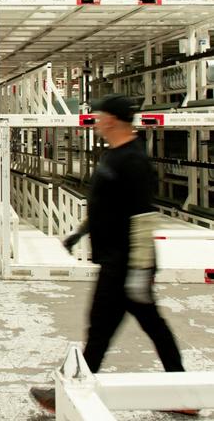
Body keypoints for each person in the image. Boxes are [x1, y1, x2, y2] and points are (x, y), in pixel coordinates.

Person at [30, 94, 197, 416]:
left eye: (99, 114)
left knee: (104, 328)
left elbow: (143, 217)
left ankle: (63, 396)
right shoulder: (112, 155)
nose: (94, 118)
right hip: (115, 259)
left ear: (113, 119)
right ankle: (183, 394)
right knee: (136, 327)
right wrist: (79, 233)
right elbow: (105, 203)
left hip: (127, 263)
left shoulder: (134, 161)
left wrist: (138, 271)